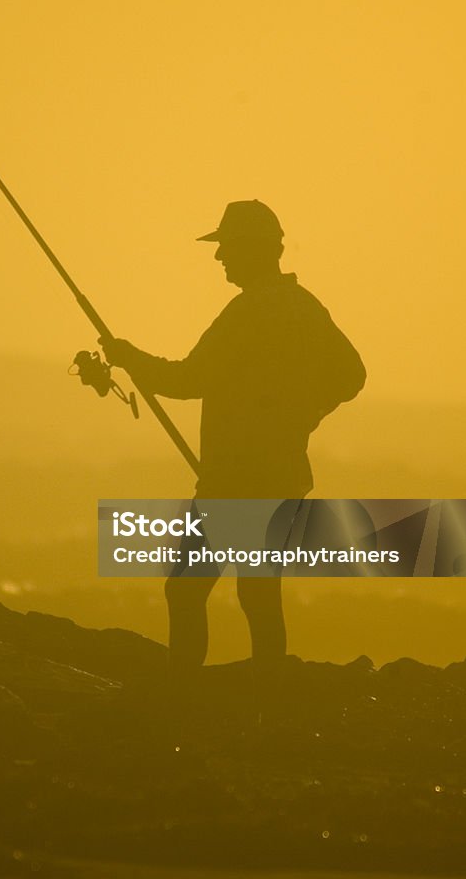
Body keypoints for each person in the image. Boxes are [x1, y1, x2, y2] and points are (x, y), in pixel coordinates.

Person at [99, 200, 366, 719]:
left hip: (236, 479)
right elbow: (352, 375)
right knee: (260, 594)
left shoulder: (249, 313)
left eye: (226, 247)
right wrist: (303, 415)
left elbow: (186, 380)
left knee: (185, 592)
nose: (219, 257)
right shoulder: (304, 306)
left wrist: (128, 358)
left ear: (253, 250)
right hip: (283, 473)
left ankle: (181, 704)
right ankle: (269, 704)